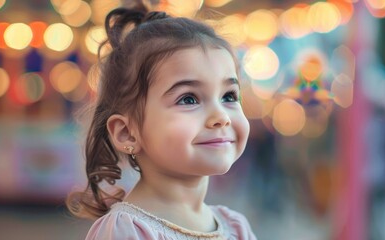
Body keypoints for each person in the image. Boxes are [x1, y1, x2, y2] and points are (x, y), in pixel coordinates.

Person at [67, 1, 256, 239]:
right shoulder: (126, 231)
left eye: (229, 96)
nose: (221, 117)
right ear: (127, 132)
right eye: (188, 99)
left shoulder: (236, 227)